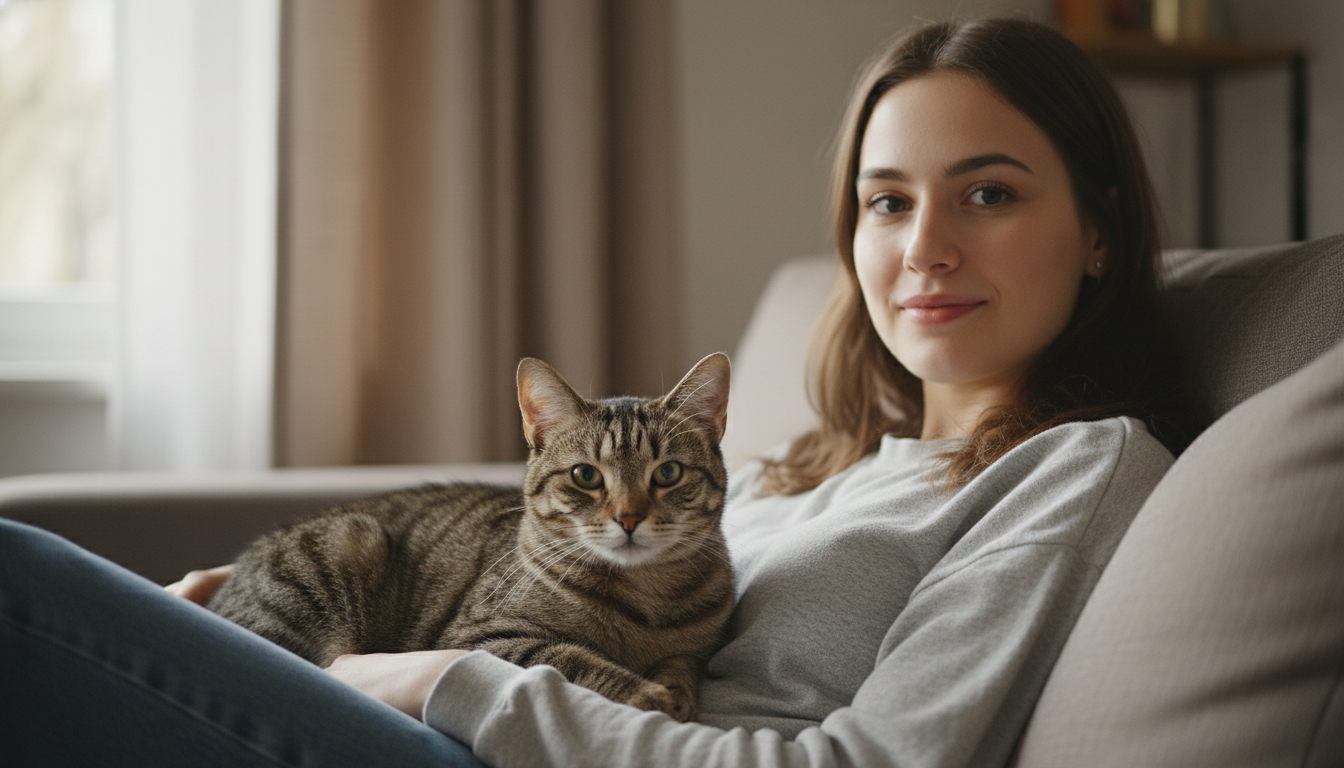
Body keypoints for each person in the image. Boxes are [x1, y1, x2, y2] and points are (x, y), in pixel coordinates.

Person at [0, 17, 1191, 768]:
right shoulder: (812, 469)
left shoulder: (1075, 467)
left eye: (987, 194)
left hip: (459, 727)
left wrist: (432, 677)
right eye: (887, 200)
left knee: (21, 583)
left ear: (1097, 229)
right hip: (432, 707)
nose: (922, 245)